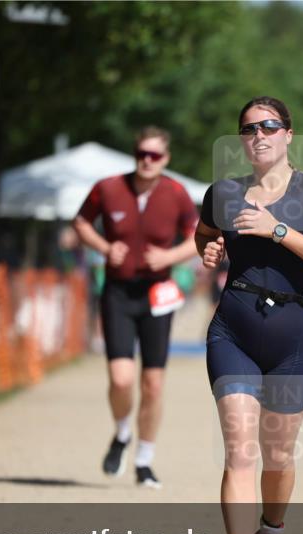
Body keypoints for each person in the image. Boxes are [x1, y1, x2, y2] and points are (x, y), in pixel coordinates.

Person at [193, 96, 303, 534]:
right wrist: (209, 249)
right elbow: (205, 234)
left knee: (278, 457)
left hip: (294, 338)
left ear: (287, 133)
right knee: (239, 451)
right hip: (232, 331)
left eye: (268, 126)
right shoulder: (224, 192)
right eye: (248, 128)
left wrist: (279, 231)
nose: (258, 134)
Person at [63, 126, 198, 489]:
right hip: (118, 293)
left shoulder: (176, 193)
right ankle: (122, 433)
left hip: (157, 294)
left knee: (153, 384)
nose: (147, 161)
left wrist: (170, 255)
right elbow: (80, 223)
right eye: (141, 153)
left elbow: (199, 237)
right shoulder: (108, 188)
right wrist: (105, 248)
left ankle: (144, 460)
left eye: (154, 155)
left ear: (165, 159)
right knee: (121, 379)